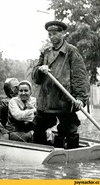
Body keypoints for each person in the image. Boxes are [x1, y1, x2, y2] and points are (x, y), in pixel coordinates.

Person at [32, 20, 89, 149]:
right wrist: (40, 70)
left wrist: (80, 98)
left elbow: (79, 77)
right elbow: (35, 77)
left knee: (70, 130)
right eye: (49, 34)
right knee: (38, 128)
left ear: (63, 33)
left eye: (55, 34)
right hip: (46, 100)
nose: (52, 37)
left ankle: (73, 162)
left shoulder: (71, 51)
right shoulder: (45, 52)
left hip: (65, 99)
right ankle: (41, 156)